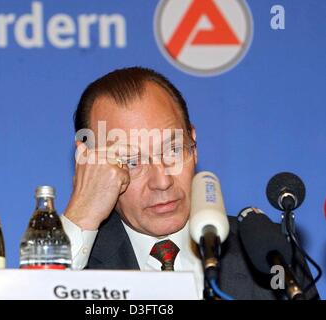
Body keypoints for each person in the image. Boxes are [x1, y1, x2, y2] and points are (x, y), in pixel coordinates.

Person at [60, 66, 318, 300]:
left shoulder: (267, 255)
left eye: (173, 149)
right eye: (131, 161)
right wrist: (82, 215)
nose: (162, 181)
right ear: (89, 163)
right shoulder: (79, 263)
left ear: (193, 143)